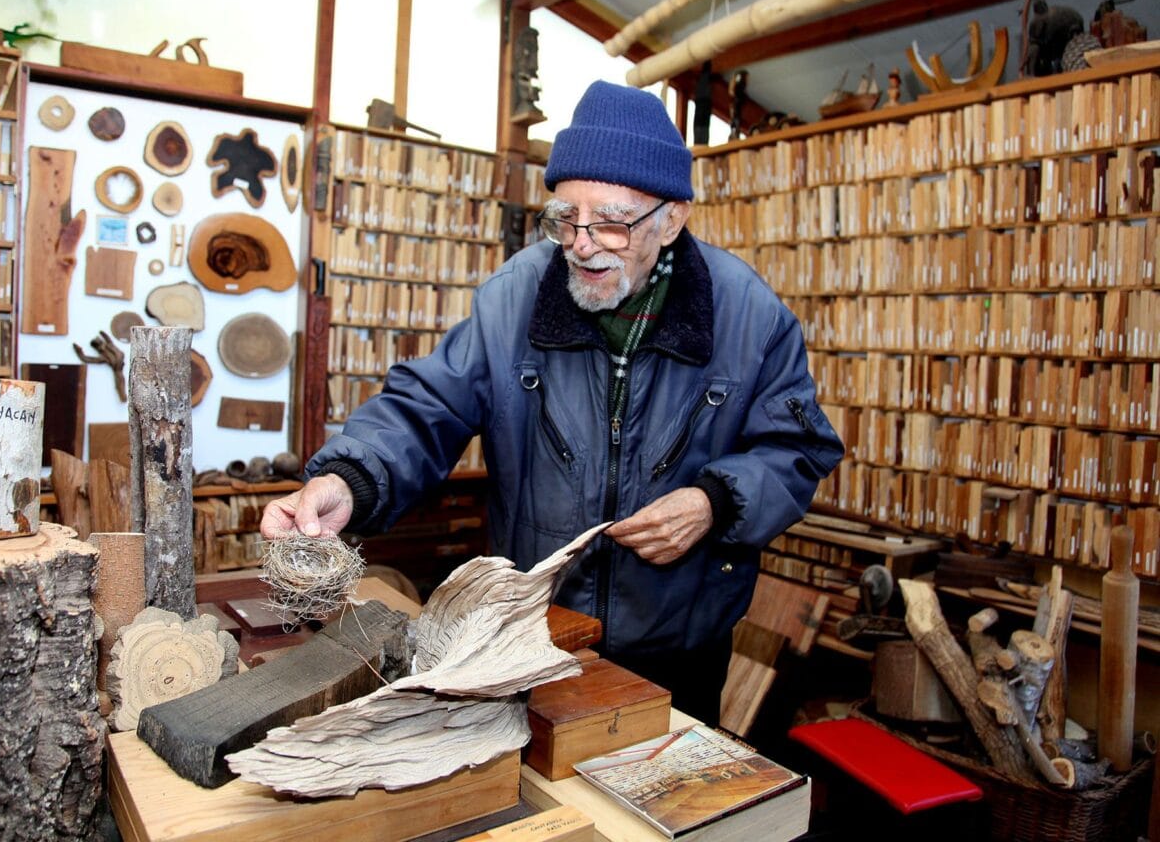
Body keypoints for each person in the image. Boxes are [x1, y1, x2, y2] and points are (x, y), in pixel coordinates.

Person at [262, 80, 844, 725]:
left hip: (678, 644)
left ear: (672, 219)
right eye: (565, 217)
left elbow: (795, 449)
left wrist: (715, 501)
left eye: (612, 222)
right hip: (526, 630)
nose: (582, 242)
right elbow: (427, 404)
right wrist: (350, 478)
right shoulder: (515, 294)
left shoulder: (751, 316)